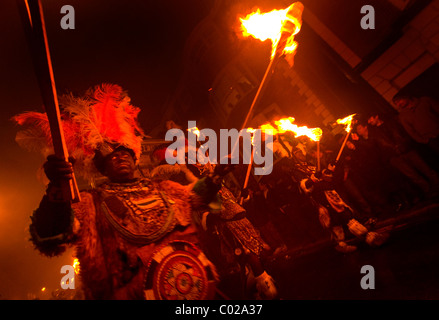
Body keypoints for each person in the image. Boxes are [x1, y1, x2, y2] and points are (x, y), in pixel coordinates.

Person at [14, 84, 235, 300]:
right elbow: (51, 235)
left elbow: (195, 196)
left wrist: (215, 178)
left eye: (125, 153)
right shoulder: (90, 203)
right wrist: (56, 188)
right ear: (102, 166)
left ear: (135, 157)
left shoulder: (164, 188)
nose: (120, 157)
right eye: (113, 156)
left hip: (190, 288)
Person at [367, 113, 439, 199]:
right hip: (394, 157)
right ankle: (428, 190)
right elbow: (374, 147)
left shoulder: (392, 122)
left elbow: (404, 132)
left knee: (424, 168)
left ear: (376, 116)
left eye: (370, 118)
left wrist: (405, 144)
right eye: (368, 120)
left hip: (407, 150)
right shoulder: (373, 133)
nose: (369, 121)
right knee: (413, 175)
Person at [393, 95, 439, 162]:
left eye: (399, 101)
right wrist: (425, 140)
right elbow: (411, 131)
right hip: (432, 139)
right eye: (396, 103)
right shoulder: (403, 116)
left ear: (406, 96)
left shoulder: (424, 101)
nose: (398, 104)